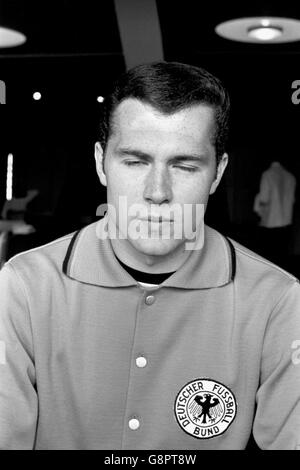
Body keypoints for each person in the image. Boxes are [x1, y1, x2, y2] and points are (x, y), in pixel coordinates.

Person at [0, 62, 299, 450]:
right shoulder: (23, 287)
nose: (157, 192)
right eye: (135, 161)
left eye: (185, 165)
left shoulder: (277, 299)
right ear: (100, 163)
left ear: (218, 173)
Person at [254, 160, 296, 267]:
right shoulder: (290, 177)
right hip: (286, 221)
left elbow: (264, 198)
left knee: (271, 253)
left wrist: (258, 205)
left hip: (271, 221)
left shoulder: (267, 174)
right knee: (283, 251)